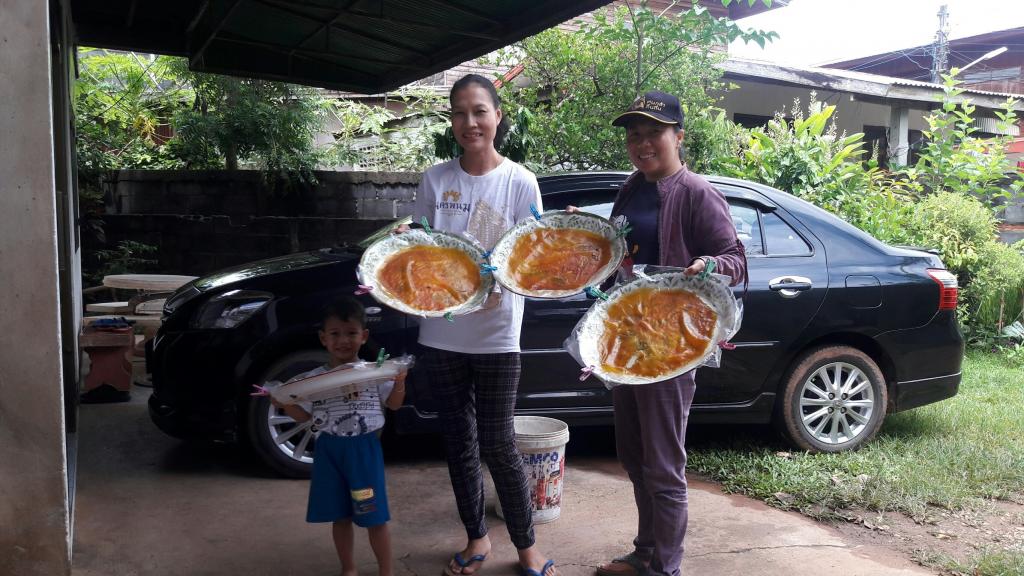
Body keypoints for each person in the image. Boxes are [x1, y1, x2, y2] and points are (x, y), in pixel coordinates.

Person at [592, 91, 747, 576]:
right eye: (634, 134)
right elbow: (620, 253)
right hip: (627, 339)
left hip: (672, 346)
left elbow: (737, 260)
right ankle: (645, 552)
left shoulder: (696, 192)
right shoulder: (631, 188)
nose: (642, 143)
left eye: (654, 133)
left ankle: (666, 568)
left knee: (662, 464)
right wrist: (589, 242)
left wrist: (708, 264)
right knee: (634, 456)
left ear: (678, 136)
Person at [411, 73, 557, 576]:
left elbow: (531, 258)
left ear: (497, 116)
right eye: (459, 112)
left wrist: (499, 282)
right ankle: (477, 539)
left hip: (497, 333)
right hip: (441, 331)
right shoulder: (435, 180)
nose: (469, 122)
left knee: (498, 443)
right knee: (458, 442)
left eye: (479, 111)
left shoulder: (520, 181)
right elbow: (422, 250)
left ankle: (526, 546)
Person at [273, 296, 407, 576]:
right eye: (335, 334)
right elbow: (304, 417)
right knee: (340, 515)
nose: (343, 340)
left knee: (373, 515)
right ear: (323, 338)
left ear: (363, 336)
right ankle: (349, 569)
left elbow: (394, 404)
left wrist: (399, 382)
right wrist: (284, 402)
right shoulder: (314, 380)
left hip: (364, 451)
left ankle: (386, 571)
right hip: (328, 451)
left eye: (351, 333)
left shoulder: (374, 373)